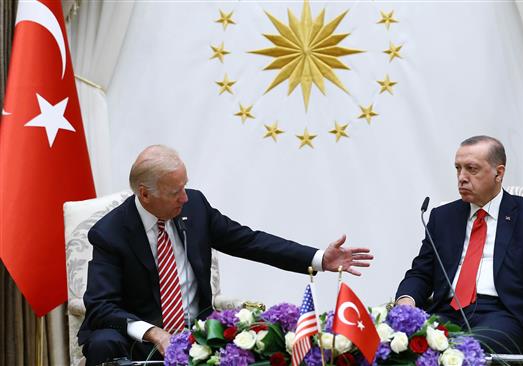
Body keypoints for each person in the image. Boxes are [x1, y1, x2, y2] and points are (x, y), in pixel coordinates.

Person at [79, 145, 373, 365]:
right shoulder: (110, 233)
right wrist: (155, 333)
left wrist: (319, 258)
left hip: (199, 332)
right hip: (139, 340)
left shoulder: (194, 207)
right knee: (103, 342)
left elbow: (250, 241)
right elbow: (101, 306)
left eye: (184, 187)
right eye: (175, 192)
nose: (185, 197)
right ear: (145, 194)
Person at [395, 135, 523, 354]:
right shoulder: (443, 217)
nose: (461, 178)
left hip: (503, 314)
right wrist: (406, 302)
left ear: (499, 172)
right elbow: (421, 273)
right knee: (400, 347)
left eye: (472, 169)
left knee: (466, 350)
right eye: (458, 168)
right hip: (446, 313)